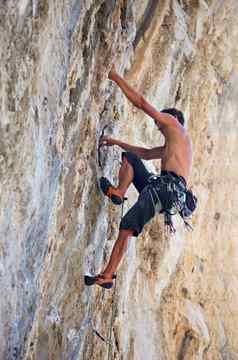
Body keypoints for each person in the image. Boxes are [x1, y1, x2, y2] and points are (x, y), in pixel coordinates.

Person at [84, 65, 193, 289]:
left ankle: (108, 275)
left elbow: (142, 103)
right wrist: (116, 142)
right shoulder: (176, 145)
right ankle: (119, 192)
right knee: (131, 158)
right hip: (168, 192)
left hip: (165, 189)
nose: (158, 124)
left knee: (127, 227)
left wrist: (115, 77)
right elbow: (143, 153)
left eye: (160, 120)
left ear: (173, 118)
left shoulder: (173, 124)